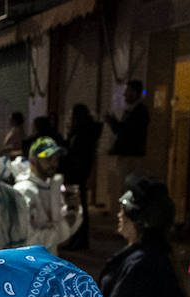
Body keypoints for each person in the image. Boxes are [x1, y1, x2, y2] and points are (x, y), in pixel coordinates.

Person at [99, 174, 185, 297]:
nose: (119, 215)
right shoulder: (149, 254)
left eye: (123, 210)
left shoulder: (142, 263)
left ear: (138, 220)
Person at [12, 136, 82, 254]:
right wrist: (65, 226)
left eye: (56, 159)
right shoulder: (24, 191)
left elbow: (64, 229)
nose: (54, 164)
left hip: (49, 258)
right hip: (30, 260)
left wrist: (73, 209)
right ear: (33, 161)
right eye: (48, 159)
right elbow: (28, 239)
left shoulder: (53, 186)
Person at [61, 104, 102, 251]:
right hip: (79, 174)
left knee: (77, 209)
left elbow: (75, 156)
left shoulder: (81, 135)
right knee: (79, 208)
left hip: (76, 175)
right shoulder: (86, 133)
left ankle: (78, 239)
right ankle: (78, 239)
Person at [106, 79, 149, 159]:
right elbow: (122, 129)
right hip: (127, 155)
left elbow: (127, 133)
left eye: (127, 91)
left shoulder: (140, 112)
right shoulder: (131, 110)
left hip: (130, 156)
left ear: (134, 93)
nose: (124, 94)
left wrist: (112, 122)